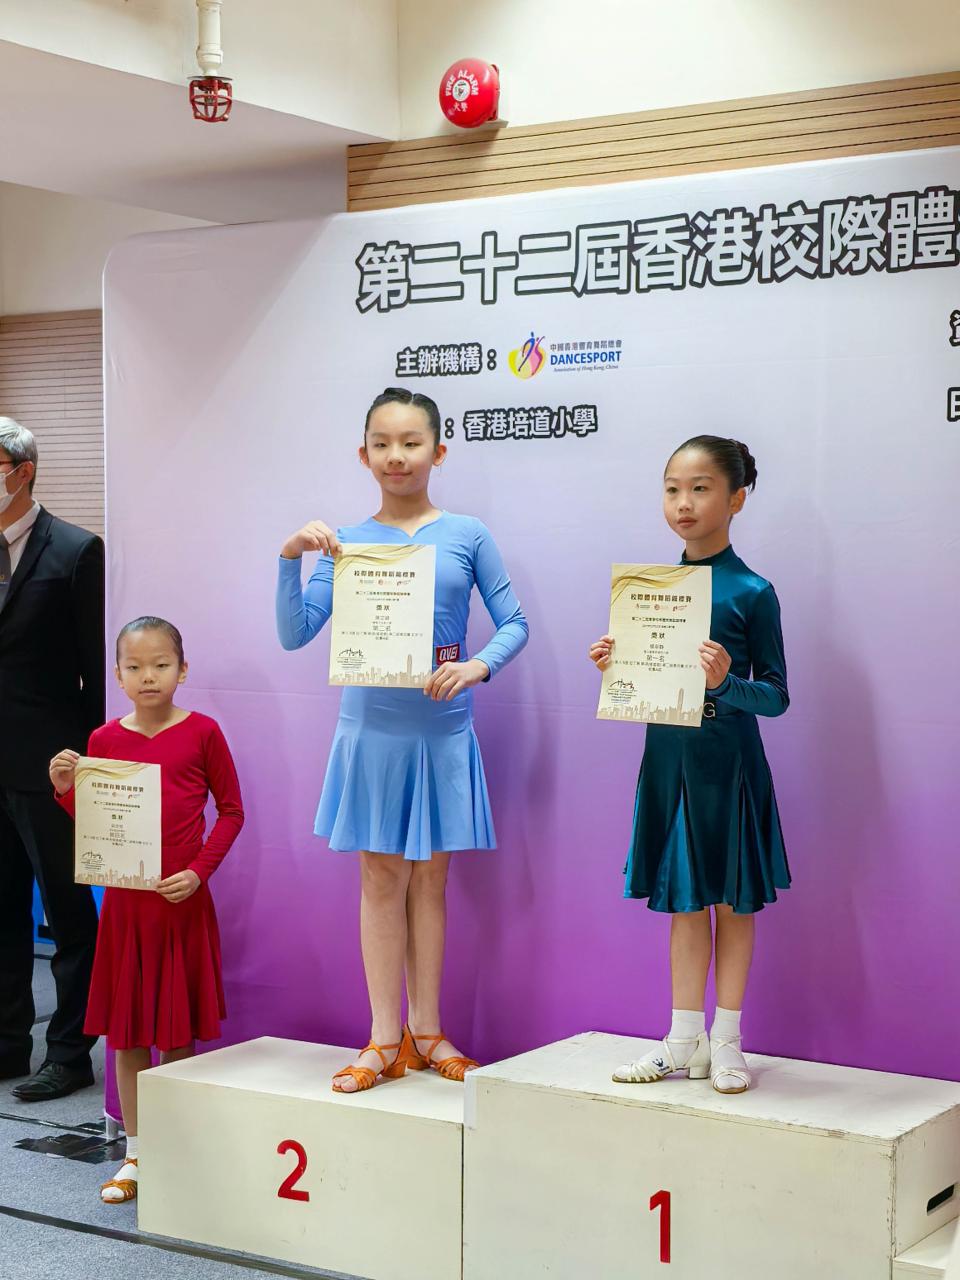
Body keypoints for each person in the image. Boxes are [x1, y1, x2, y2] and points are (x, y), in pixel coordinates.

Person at [277, 387, 527, 1093]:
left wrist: (478, 666)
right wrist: (290, 558)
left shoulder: (468, 534)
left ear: (438, 452)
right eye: (382, 444)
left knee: (432, 881)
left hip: (443, 730)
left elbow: (514, 623)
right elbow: (296, 633)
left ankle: (429, 1031)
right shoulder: (344, 542)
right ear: (363, 455)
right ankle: (383, 1039)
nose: (397, 456)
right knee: (381, 878)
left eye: (412, 442)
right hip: (373, 733)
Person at [589, 435, 789, 1094]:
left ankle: (727, 1041)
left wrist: (727, 683)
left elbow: (776, 696)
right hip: (668, 757)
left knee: (732, 901)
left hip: (728, 763)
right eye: (673, 488)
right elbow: (644, 682)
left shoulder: (752, 591)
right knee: (683, 901)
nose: (684, 502)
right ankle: (682, 1040)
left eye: (701, 489)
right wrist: (617, 667)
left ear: (736, 499)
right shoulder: (649, 591)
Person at [50, 616, 244, 1202]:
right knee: (128, 1032)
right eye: (134, 667)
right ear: (117, 675)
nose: (148, 676)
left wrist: (198, 872)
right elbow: (99, 827)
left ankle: (175, 1149)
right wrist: (67, 790)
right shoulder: (104, 740)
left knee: (176, 1031)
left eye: (161, 664)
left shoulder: (204, 732)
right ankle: (136, 1153)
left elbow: (232, 811)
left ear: (183, 670)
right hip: (126, 911)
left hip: (180, 905)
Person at [0, 418, 104, 1102]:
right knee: (2, 910)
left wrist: (87, 765)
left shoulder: (75, 550)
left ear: (22, 471)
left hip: (50, 766)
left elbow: (94, 672)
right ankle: (8, 1041)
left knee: (66, 914)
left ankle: (70, 1051)